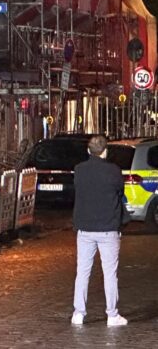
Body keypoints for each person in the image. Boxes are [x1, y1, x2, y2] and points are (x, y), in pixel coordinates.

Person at [71, 135, 127, 326]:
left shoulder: (79, 170)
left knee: (83, 272)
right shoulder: (113, 171)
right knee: (110, 273)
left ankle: (78, 313)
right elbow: (120, 191)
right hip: (108, 228)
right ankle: (112, 314)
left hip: (85, 228)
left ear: (89, 151)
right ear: (105, 151)